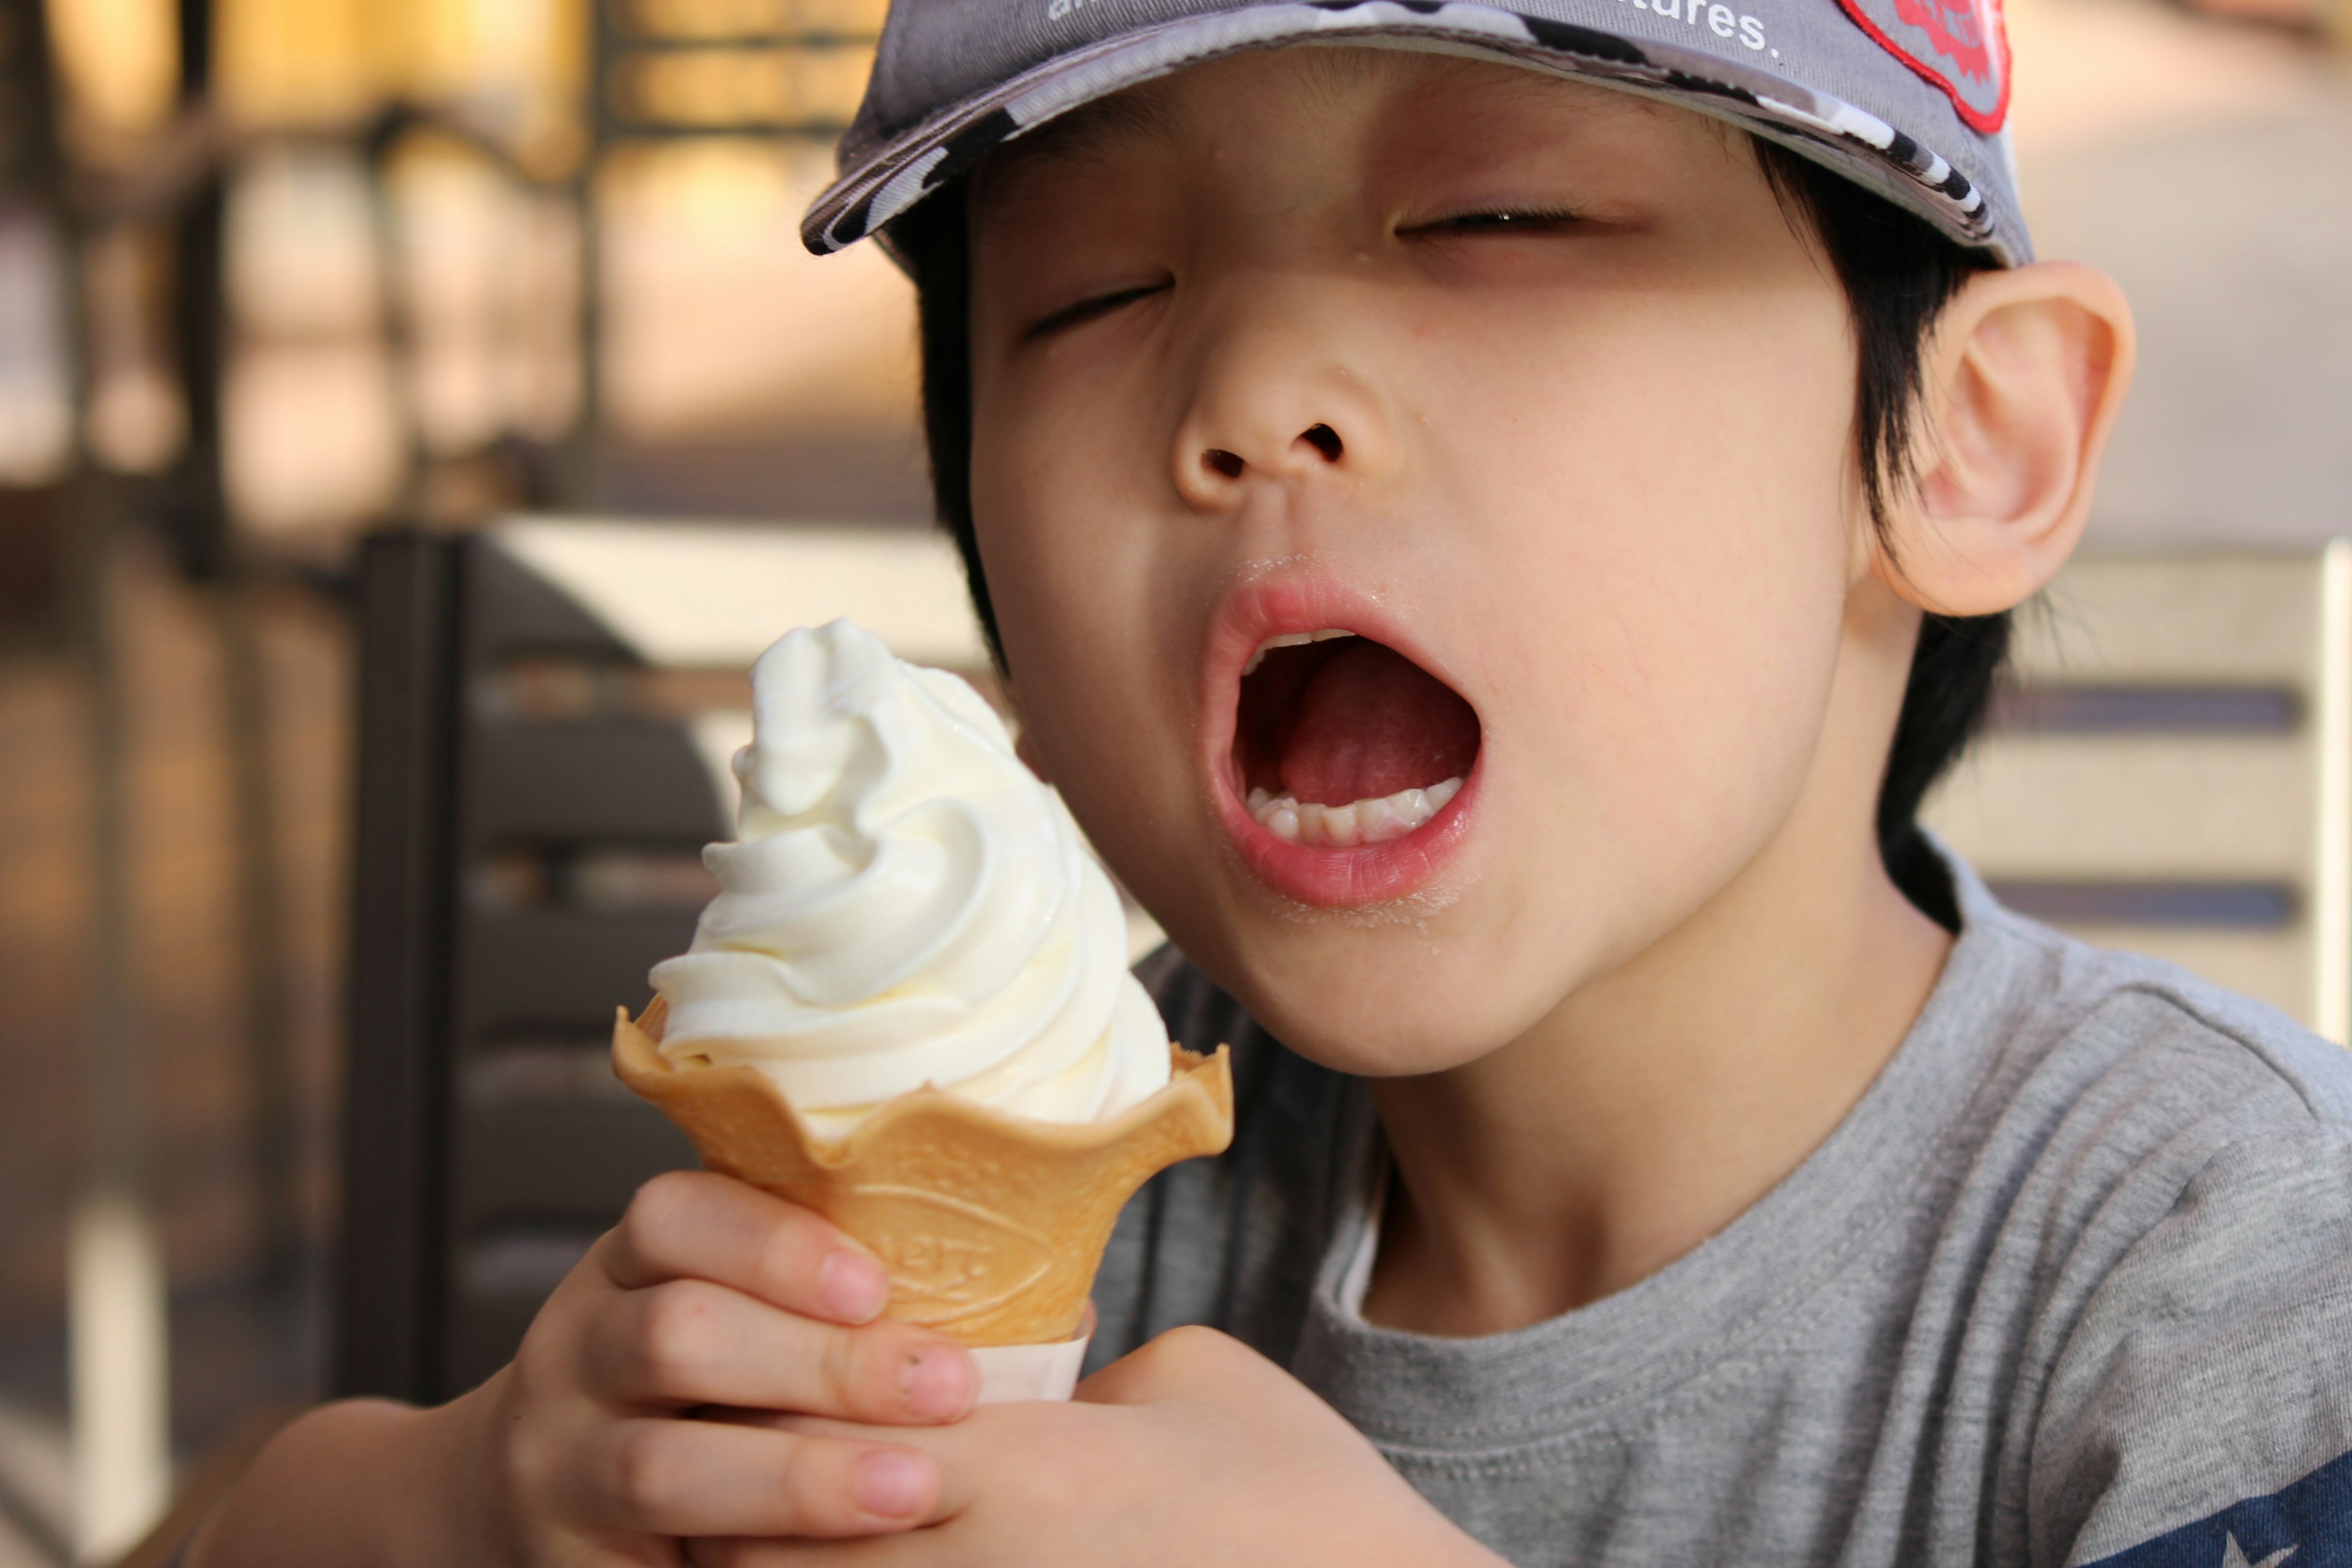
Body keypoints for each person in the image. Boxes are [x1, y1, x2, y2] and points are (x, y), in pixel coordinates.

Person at [193, 2, 2352, 1564]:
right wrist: (450, 1500)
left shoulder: (2237, 1280)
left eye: (1496, 216)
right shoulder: (1031, 1170)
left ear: (1968, 444)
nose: (1249, 391)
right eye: (1099, 293)